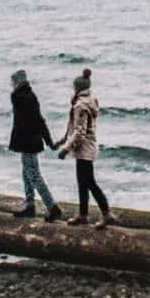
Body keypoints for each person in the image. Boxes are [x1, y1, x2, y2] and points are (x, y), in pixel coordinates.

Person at [56, 67, 118, 228]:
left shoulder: (80, 106)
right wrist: (63, 140)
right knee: (82, 182)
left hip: (85, 149)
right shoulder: (90, 100)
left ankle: (107, 213)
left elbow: (80, 132)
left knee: (89, 182)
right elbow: (74, 128)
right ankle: (83, 214)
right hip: (86, 148)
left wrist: (66, 149)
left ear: (77, 88)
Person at [8, 68, 62, 221]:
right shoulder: (31, 97)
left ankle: (52, 207)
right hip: (32, 141)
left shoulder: (19, 97)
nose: (11, 85)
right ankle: (29, 205)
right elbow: (40, 120)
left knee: (33, 175)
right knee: (27, 172)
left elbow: (35, 119)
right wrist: (49, 142)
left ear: (18, 82)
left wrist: (49, 141)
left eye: (13, 82)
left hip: (28, 142)